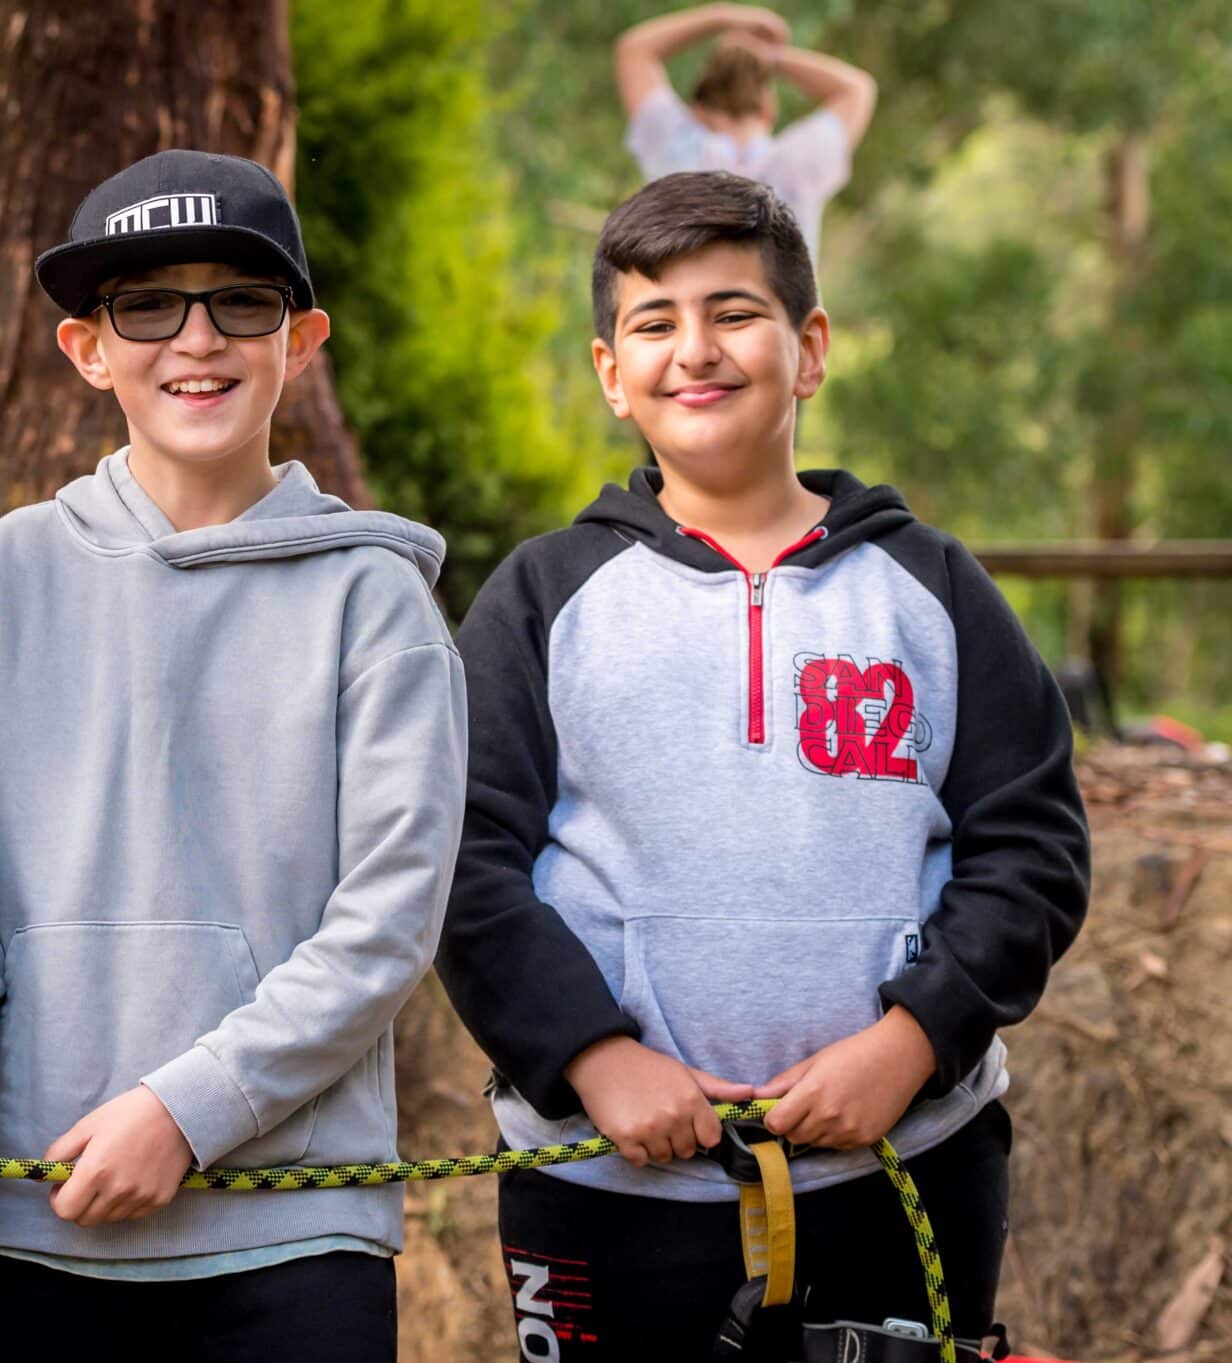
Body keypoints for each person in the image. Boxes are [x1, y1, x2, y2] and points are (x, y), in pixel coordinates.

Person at [436, 171, 1089, 1362]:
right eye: (653, 323)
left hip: (904, 1165)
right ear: (607, 371)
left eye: (733, 312)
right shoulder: (539, 598)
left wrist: (908, 1041)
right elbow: (461, 860)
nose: (695, 349)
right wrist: (593, 1056)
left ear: (809, 348)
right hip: (603, 1190)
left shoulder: (931, 590)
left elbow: (1031, 849)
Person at [0, 149, 469, 1363]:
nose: (195, 338)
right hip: (38, 1221)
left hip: (293, 1234)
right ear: (87, 349)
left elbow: (388, 919)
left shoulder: (376, 600)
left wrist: (184, 1113)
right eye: (147, 304)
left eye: (238, 302)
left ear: (300, 339)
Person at [615, 4, 877, 262]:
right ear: (769, 109)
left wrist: (720, 17)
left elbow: (635, 50)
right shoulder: (797, 163)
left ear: (698, 108)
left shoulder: (674, 148)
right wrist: (768, 56)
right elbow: (856, 89)